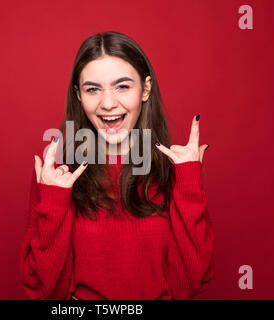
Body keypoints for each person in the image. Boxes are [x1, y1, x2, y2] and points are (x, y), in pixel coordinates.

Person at [19, 31, 215, 300]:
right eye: (92, 89)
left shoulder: (175, 170)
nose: (108, 103)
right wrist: (54, 201)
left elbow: (189, 286)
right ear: (78, 95)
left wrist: (189, 183)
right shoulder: (57, 175)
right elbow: (42, 291)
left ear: (145, 89)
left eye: (122, 86)